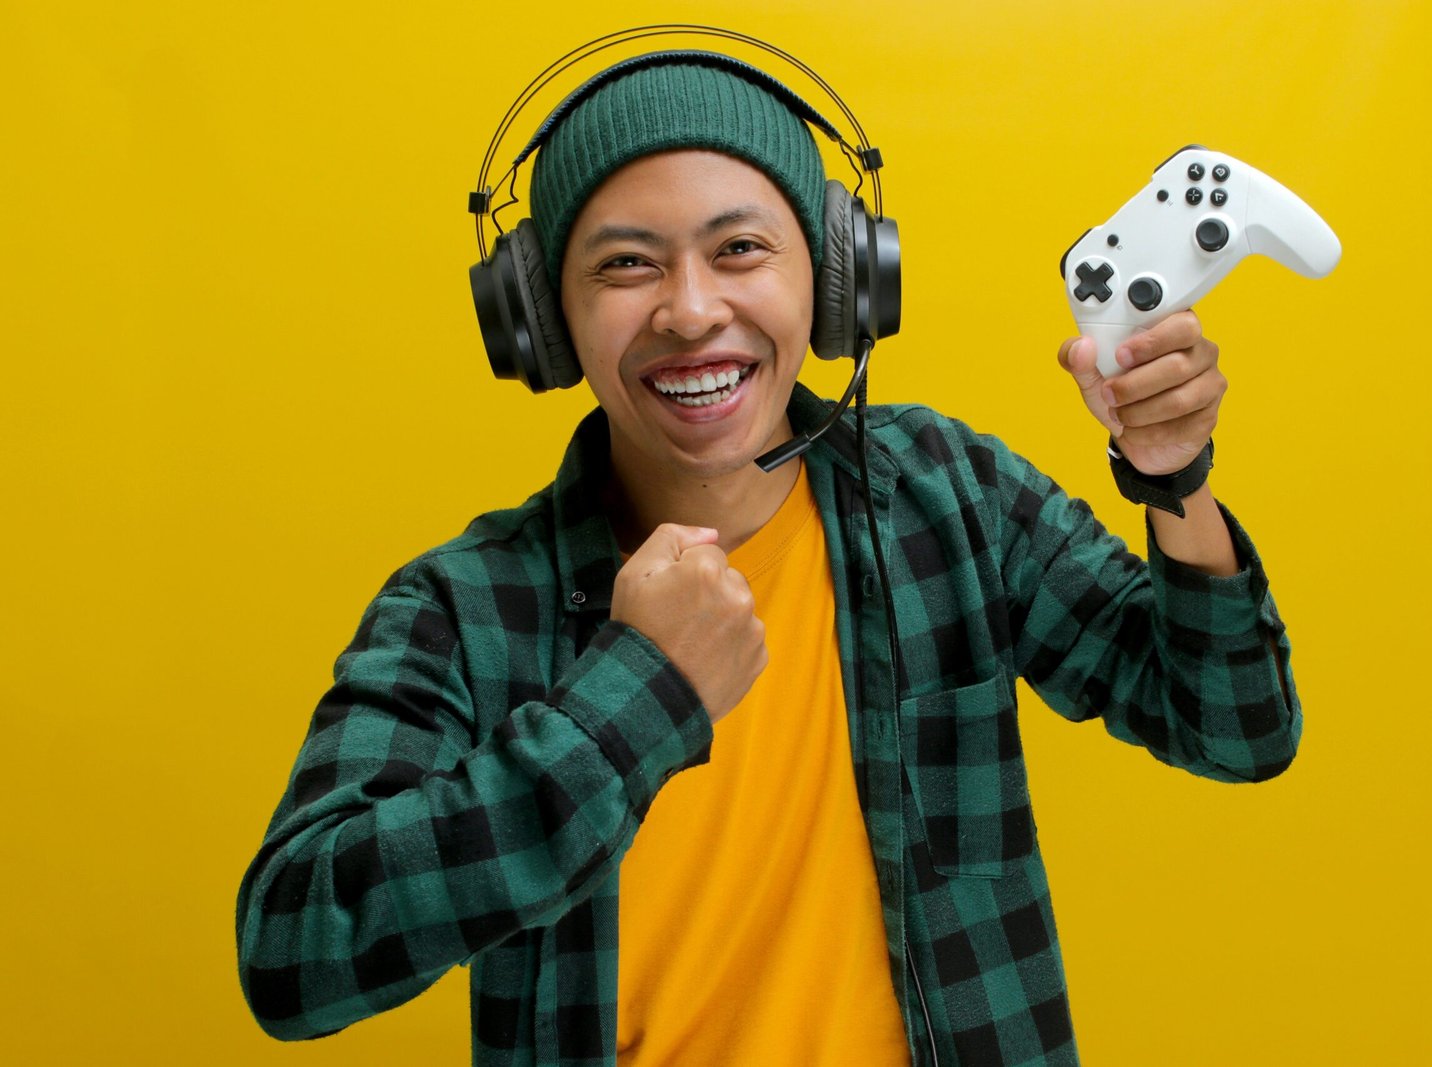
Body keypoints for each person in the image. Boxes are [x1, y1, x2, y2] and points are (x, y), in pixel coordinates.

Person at [236, 52, 1300, 1067]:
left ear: (840, 283)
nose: (692, 310)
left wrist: (1173, 477)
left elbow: (1236, 725)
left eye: (740, 248)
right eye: (625, 263)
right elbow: (292, 953)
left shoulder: (947, 494)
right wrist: (636, 695)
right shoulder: (464, 606)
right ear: (543, 321)